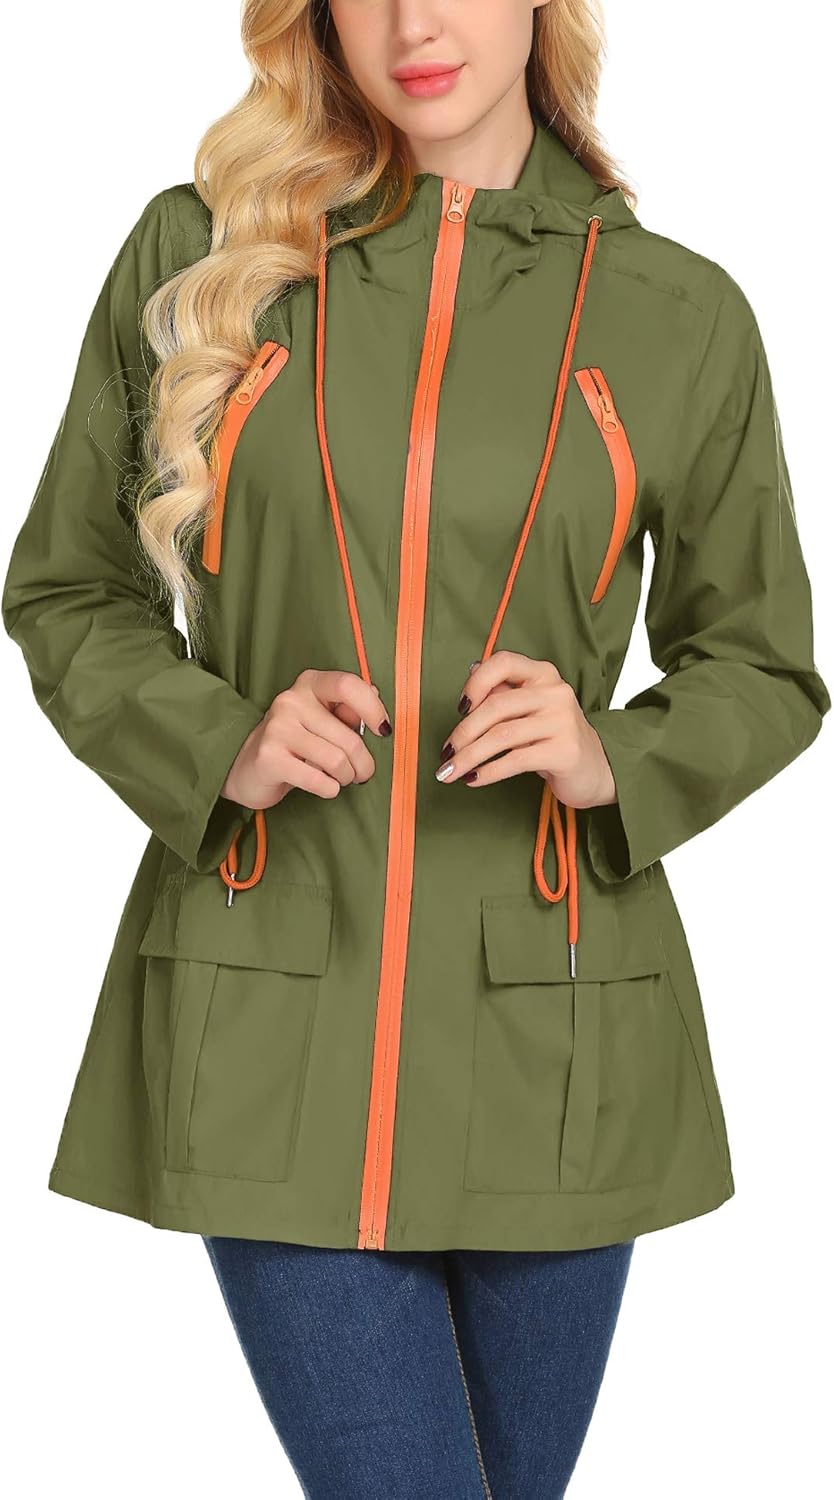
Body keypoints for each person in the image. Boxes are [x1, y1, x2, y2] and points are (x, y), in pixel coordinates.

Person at [2, 1, 829, 1495]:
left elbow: (762, 663)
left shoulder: (674, 311)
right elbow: (66, 590)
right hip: (268, 998)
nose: (413, 23)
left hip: (555, 1029)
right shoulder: (204, 254)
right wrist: (220, 740)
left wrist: (610, 757)